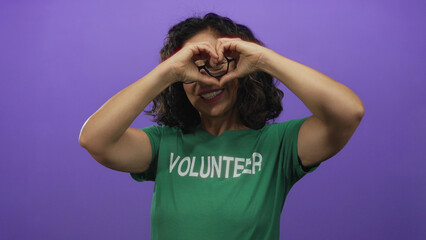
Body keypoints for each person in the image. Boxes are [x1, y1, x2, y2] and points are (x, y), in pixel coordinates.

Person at [79, 13, 364, 240]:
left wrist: (263, 59)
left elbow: (348, 112)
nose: (206, 81)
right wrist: (168, 71)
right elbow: (95, 139)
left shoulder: (278, 145)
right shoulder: (163, 144)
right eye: (193, 68)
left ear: (241, 66)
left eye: (216, 65)